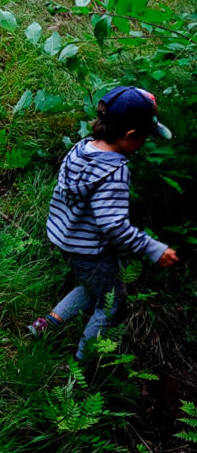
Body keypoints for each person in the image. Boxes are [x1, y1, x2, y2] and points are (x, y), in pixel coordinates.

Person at [27, 86, 179, 360]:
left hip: (67, 240)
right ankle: (83, 364)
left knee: (93, 287)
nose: (144, 142)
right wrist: (153, 249)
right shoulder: (115, 171)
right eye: (144, 136)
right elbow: (114, 226)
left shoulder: (82, 149)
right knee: (112, 305)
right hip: (93, 252)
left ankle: (45, 326)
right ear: (131, 136)